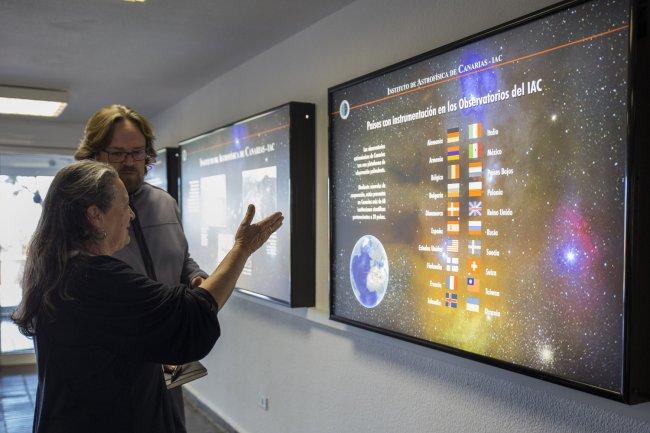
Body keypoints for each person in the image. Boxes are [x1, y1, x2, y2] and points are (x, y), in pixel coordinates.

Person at [12, 160, 282, 433]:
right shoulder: (93, 278)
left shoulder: (60, 268)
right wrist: (242, 249)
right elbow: (190, 316)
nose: (131, 215)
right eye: (124, 204)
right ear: (95, 215)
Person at [74, 104, 203, 429]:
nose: (130, 163)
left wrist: (196, 277)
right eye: (118, 153)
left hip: (170, 358)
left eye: (137, 152)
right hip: (116, 365)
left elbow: (182, 258)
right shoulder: (81, 214)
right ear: (94, 154)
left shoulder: (165, 203)